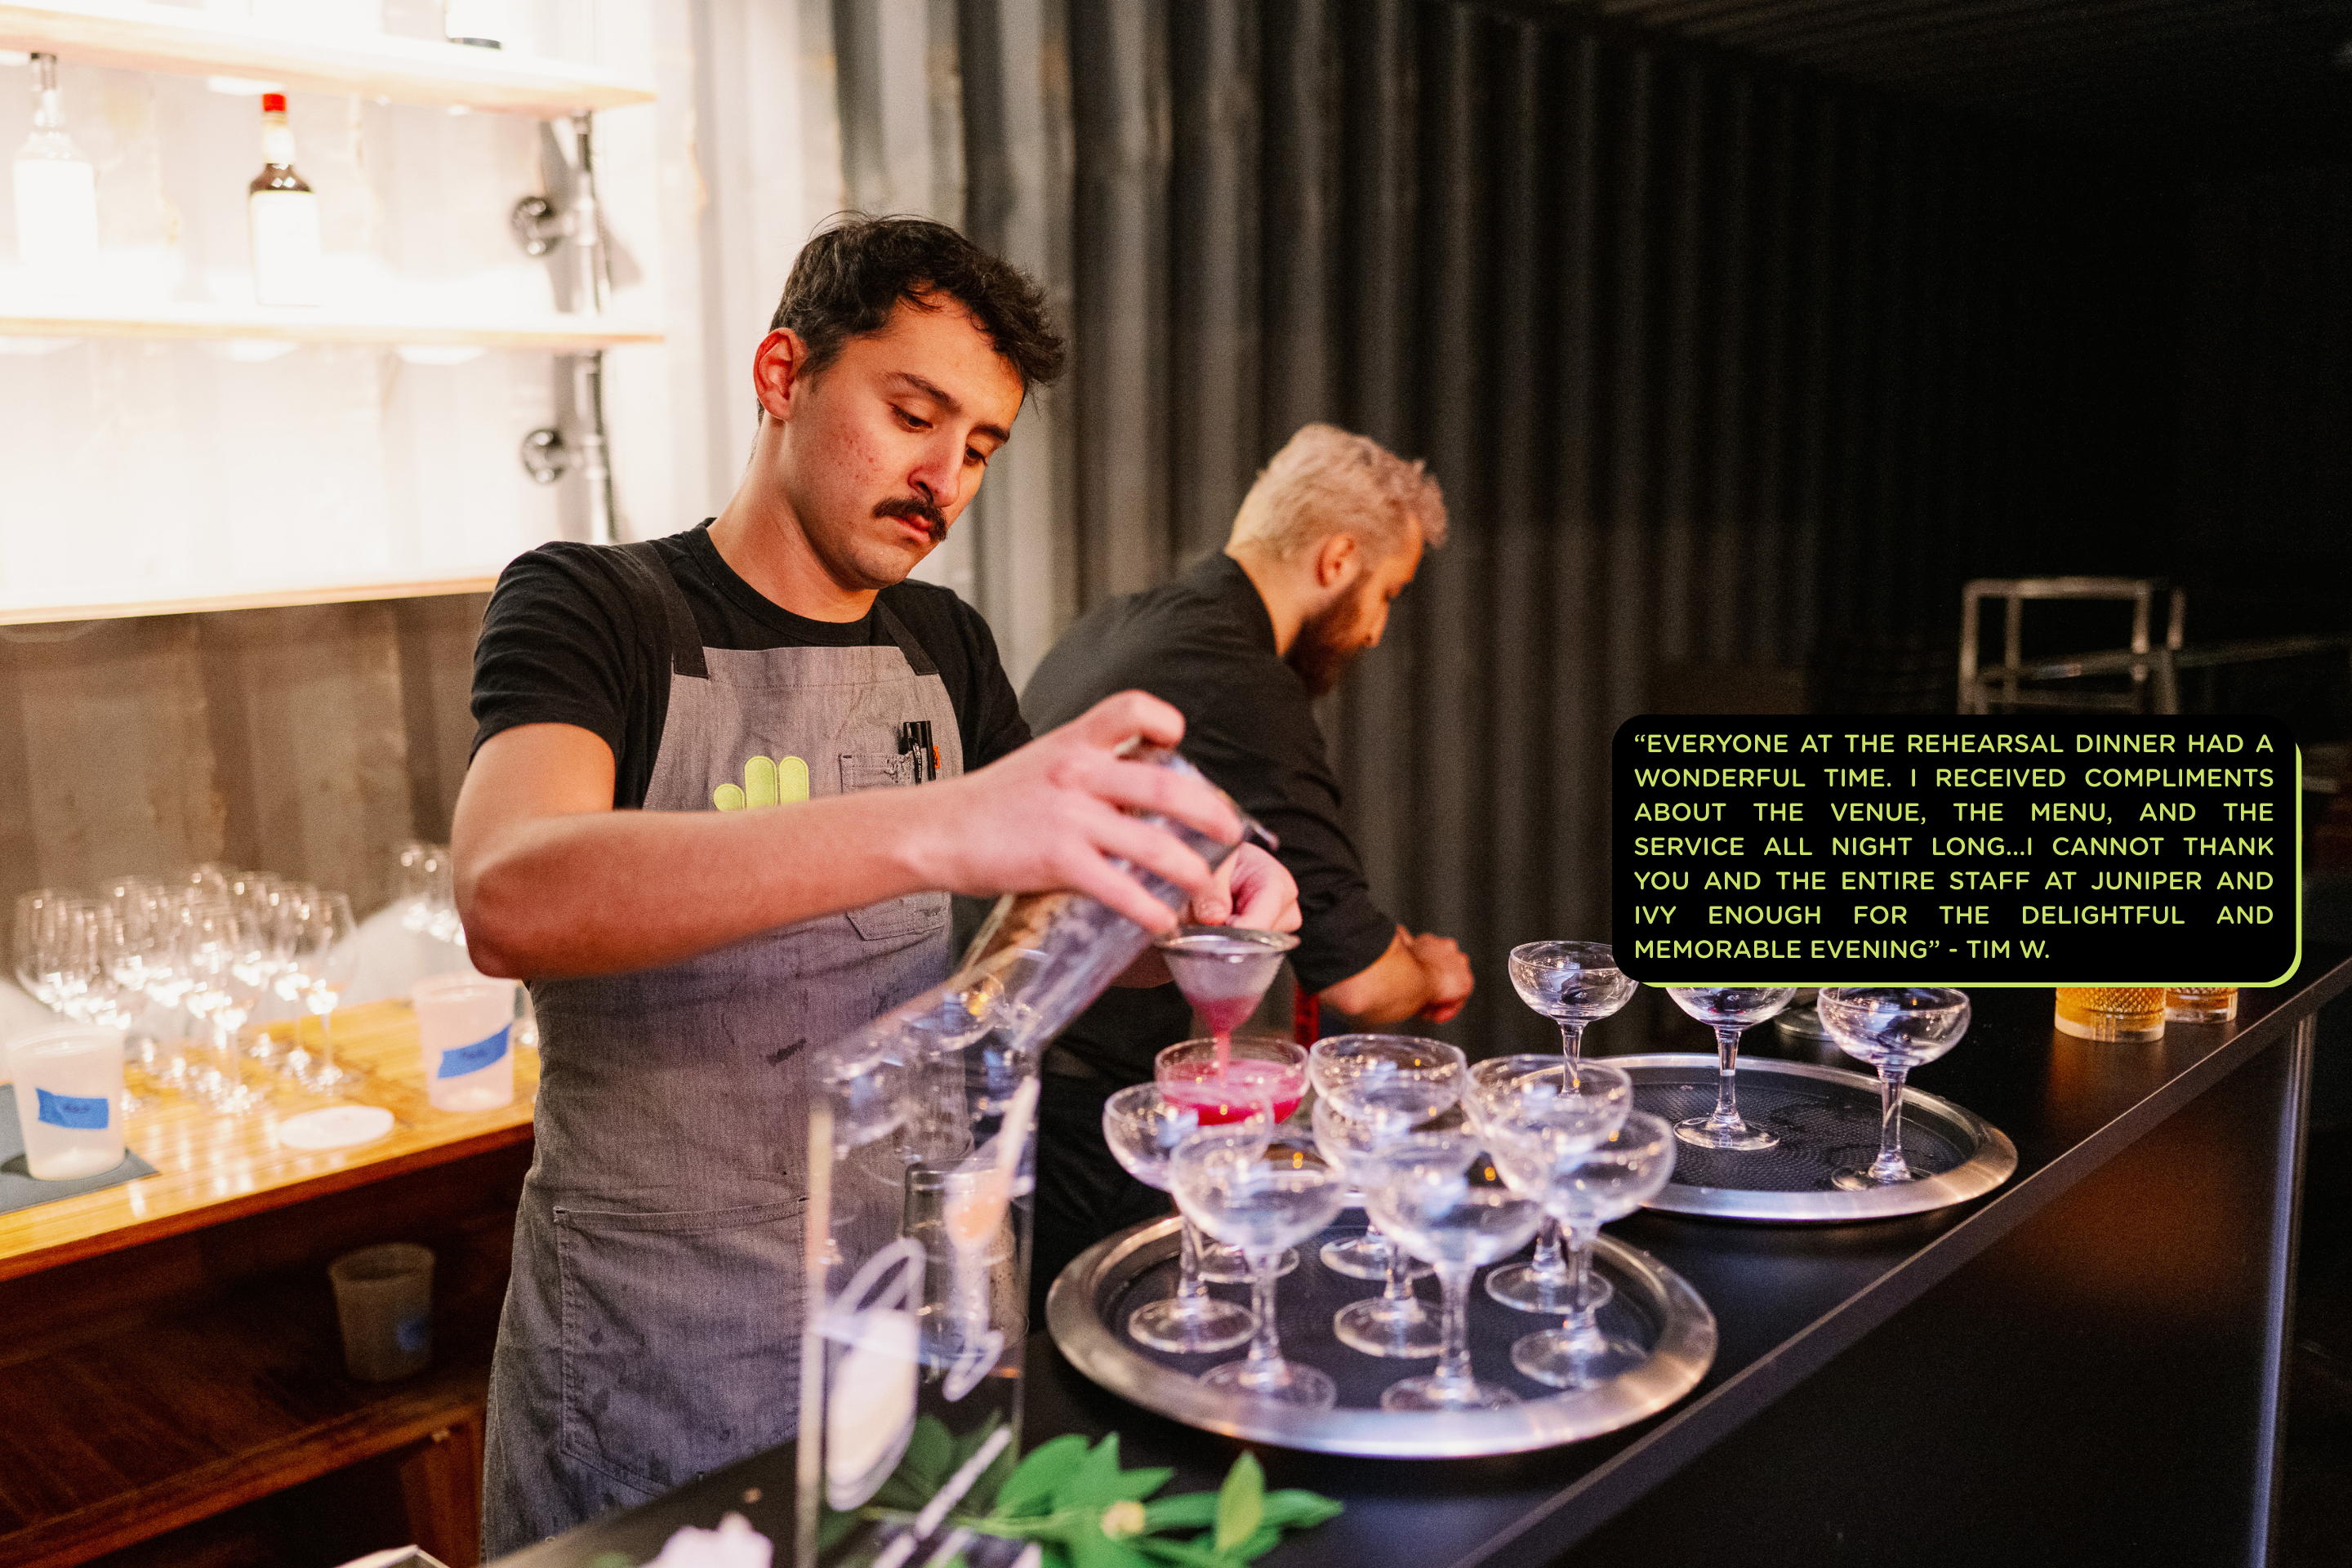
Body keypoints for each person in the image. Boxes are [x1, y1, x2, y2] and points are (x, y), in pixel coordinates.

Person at [453, 215, 1296, 1554]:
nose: (943, 476)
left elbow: (1036, 928)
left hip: (909, 1325)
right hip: (660, 1354)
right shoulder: (596, 607)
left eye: (981, 446)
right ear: (783, 374)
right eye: (914, 415)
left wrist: (1177, 911)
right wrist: (938, 824)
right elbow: (512, 895)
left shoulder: (942, 641)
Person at [1019, 422, 1474, 1303]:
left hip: (1022, 1076)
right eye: (1387, 593)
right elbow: (1363, 985)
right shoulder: (1240, 680)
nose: (1376, 631)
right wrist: (1431, 970)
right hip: (1091, 1121)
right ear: (1337, 560)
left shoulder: (1118, 623)